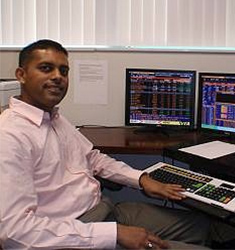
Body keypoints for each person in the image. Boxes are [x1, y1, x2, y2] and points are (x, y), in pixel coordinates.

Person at [0, 39, 212, 250]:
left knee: (203, 227)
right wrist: (114, 234)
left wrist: (141, 179)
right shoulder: (10, 135)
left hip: (106, 212)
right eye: (46, 68)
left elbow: (93, 158)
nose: (57, 76)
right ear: (21, 75)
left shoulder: (54, 118)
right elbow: (15, 233)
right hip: (72, 234)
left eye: (63, 71)